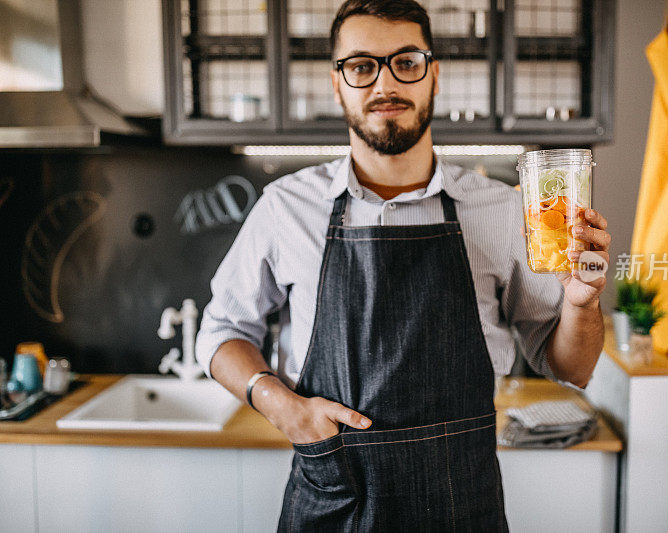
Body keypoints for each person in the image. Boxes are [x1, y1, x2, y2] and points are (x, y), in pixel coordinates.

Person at [195, 0, 610, 530]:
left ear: (433, 76)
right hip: (334, 499)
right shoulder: (285, 207)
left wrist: (582, 303)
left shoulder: (502, 210)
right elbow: (221, 330)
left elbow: (572, 367)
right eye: (362, 65)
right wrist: (282, 407)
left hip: (462, 507)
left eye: (406, 62)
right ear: (337, 82)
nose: (384, 84)